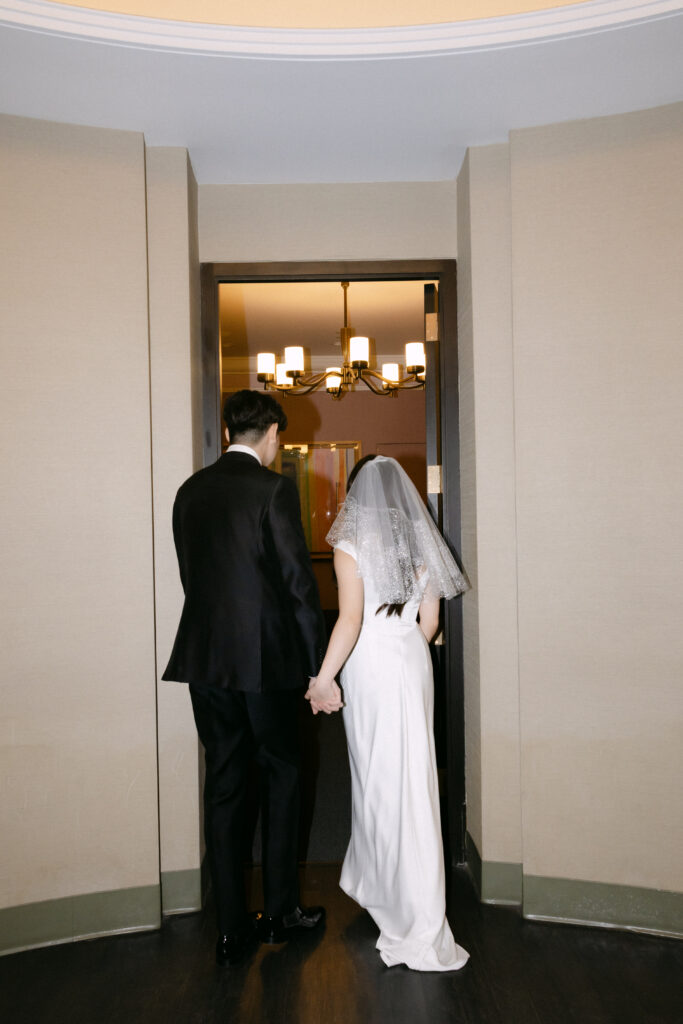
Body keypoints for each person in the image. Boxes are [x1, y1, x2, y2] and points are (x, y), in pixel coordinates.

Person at [162, 390, 341, 967]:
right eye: (279, 438)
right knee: (283, 776)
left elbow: (194, 577)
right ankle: (281, 912)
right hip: (264, 662)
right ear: (268, 434)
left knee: (224, 782)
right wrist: (318, 667)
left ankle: (231, 926)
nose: (278, 447)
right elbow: (296, 585)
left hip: (205, 660)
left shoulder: (189, 492)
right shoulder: (273, 488)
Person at [306, 454, 470, 972]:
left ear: (356, 499)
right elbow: (431, 617)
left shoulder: (349, 545)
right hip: (411, 659)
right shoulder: (420, 540)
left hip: (372, 664)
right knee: (413, 779)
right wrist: (406, 655)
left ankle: (393, 898)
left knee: (379, 778)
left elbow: (350, 619)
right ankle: (409, 896)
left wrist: (325, 675)